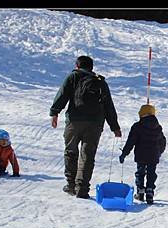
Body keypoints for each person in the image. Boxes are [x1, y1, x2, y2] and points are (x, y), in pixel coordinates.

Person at [50, 55, 122, 199]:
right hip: (95, 124)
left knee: (71, 151)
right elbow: (108, 105)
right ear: (91, 67)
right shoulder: (100, 82)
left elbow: (62, 94)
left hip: (74, 122)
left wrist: (54, 112)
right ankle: (82, 189)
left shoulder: (73, 77)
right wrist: (115, 127)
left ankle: (71, 185)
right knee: (87, 156)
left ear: (77, 66)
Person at [118, 104, 166, 204]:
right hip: (153, 155)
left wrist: (124, 154)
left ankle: (140, 192)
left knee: (140, 173)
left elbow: (131, 142)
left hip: (141, 155)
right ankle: (150, 192)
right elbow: (162, 141)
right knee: (151, 173)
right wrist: (159, 152)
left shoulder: (137, 126)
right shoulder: (158, 127)